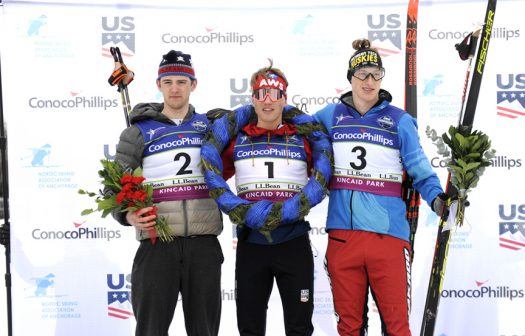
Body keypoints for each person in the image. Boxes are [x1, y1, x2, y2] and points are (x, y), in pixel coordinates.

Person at [313, 39, 448, 336]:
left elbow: (420, 170)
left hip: (388, 238)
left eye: (376, 74)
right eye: (363, 74)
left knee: (398, 328)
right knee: (349, 328)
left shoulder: (399, 121)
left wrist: (438, 199)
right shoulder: (329, 117)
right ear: (350, 78)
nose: (369, 81)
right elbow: (294, 135)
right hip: (343, 236)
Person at [201, 61, 333, 336]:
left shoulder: (304, 138)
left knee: (299, 327)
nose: (268, 101)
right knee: (250, 327)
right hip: (252, 244)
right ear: (252, 99)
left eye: (275, 94)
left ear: (285, 98)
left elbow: (323, 177)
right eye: (261, 94)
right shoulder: (237, 139)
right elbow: (212, 180)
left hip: (293, 242)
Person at [112, 50, 224, 336]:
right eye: (169, 81)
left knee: (205, 330)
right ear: (159, 85)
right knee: (151, 329)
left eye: (182, 82)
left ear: (193, 85)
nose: (175, 88)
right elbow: (115, 184)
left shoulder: (210, 127)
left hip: (203, 244)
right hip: (157, 243)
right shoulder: (138, 131)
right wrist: (128, 214)